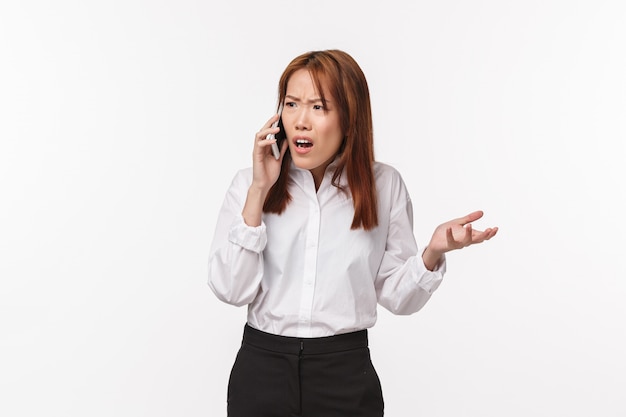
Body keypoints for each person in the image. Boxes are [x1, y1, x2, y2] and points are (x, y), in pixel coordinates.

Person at [208, 49, 498, 417]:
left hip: (344, 374)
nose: (300, 120)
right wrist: (258, 192)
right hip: (262, 370)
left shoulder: (384, 186)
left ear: (349, 116)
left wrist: (432, 253)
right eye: (292, 104)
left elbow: (396, 297)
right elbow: (231, 290)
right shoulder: (249, 184)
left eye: (318, 107)